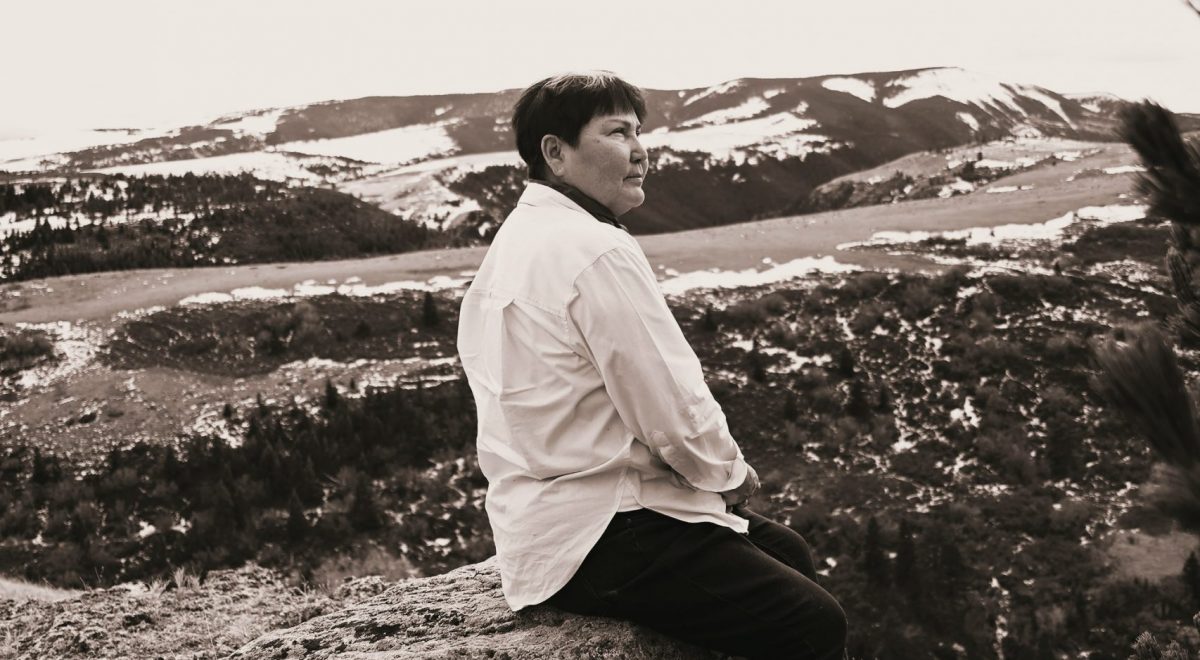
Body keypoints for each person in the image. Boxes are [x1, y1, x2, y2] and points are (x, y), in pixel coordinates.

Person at [456, 71, 847, 660]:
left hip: (545, 526)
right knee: (812, 623)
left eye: (638, 131)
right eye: (617, 133)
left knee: (787, 551)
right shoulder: (593, 248)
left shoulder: (521, 237)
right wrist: (728, 475)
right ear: (555, 153)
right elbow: (666, 402)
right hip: (606, 528)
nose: (640, 150)